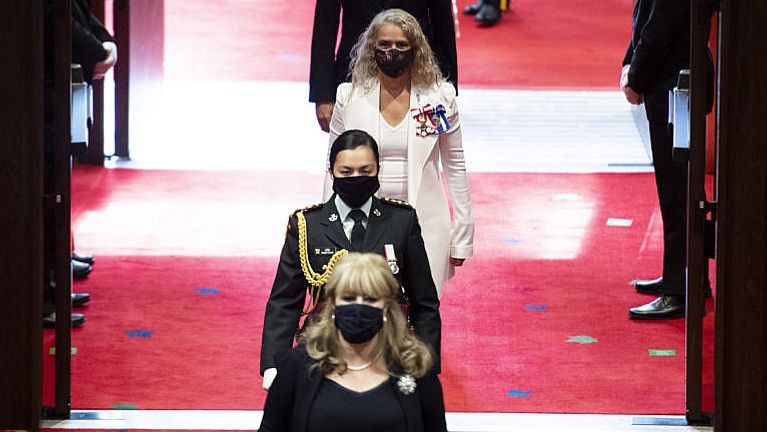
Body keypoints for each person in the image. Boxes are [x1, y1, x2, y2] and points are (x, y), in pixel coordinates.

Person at [261, 129, 441, 389]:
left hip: (387, 351)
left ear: (378, 169)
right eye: (346, 172)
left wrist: (428, 367)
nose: (356, 178)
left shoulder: (402, 221)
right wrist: (273, 364)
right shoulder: (307, 226)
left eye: (365, 171)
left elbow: (424, 303)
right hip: (322, 351)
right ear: (332, 170)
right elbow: (285, 301)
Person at [324, 9, 474, 298]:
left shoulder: (441, 98)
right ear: (372, 49)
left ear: (415, 49)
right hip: (365, 221)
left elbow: (456, 166)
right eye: (384, 45)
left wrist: (463, 234)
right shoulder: (349, 97)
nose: (392, 52)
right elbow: (333, 166)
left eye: (401, 46)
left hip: (426, 223)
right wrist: (327, 229)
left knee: (424, 311)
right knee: (372, 306)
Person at [259, 252, 448, 432]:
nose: (358, 307)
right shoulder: (297, 366)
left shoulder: (416, 367)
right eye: (348, 298)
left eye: (370, 299)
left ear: (386, 307)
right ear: (332, 304)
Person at [621, 0, 712, 319]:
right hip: (673, 79)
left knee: (678, 193)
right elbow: (646, 12)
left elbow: (661, 25)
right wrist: (630, 62)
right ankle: (688, 276)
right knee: (679, 188)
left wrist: (636, 75)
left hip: (675, 82)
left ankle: (679, 288)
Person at [43, 0, 117, 327]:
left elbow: (75, 8)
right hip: (38, 88)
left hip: (58, 82)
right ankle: (45, 294)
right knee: (44, 196)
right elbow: (53, 16)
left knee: (56, 189)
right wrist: (99, 52)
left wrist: (105, 42)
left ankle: (54, 279)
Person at [310, 0, 458, 132]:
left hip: (417, 75)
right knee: (353, 153)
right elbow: (325, 22)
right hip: (354, 74)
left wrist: (446, 89)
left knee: (421, 152)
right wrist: (323, 95)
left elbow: (442, 22)